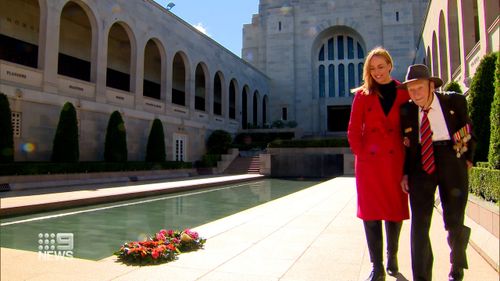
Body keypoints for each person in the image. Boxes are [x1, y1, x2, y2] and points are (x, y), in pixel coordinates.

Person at [398, 64, 475, 281]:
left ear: (431, 85)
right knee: (420, 224)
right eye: (411, 90)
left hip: (451, 157)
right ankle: (421, 277)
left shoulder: (454, 102)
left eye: (420, 88)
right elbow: (407, 145)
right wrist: (405, 173)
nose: (415, 94)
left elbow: (468, 130)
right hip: (421, 165)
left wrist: (466, 157)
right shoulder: (406, 110)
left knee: (454, 219)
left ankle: (456, 267)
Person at [348, 47, 410, 281]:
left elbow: (410, 125)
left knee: (393, 212)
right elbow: (353, 129)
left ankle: (392, 256)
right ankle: (377, 267)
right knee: (371, 215)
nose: (377, 72)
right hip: (369, 165)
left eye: (381, 67)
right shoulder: (362, 95)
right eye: (372, 68)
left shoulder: (404, 92)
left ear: (390, 66)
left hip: (395, 161)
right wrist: (360, 153)